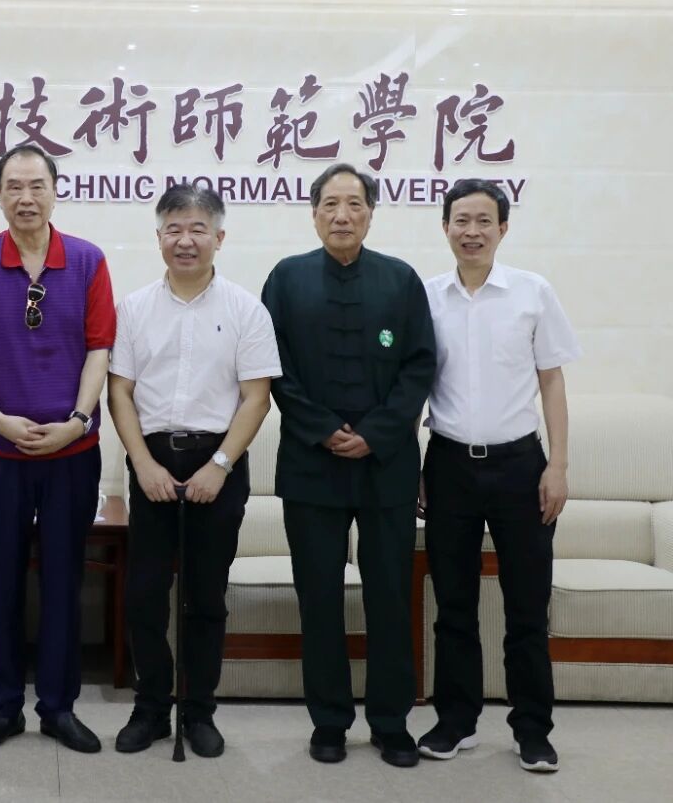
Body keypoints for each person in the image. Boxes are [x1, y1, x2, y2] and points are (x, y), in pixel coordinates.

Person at [261, 162, 436, 768]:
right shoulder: (285, 278)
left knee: (390, 597)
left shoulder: (400, 280)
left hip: (386, 467)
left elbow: (420, 365)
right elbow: (272, 366)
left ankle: (391, 723)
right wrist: (323, 430)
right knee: (318, 599)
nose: (342, 215)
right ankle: (329, 723)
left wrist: (375, 434)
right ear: (313, 214)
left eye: (354, 204)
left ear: (370, 213)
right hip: (312, 466)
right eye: (330, 204)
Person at [0, 144, 115, 754]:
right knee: (4, 578)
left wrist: (78, 420)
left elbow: (99, 348)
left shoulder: (88, 261)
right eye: (13, 186)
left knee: (65, 580)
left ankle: (59, 708)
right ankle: (3, 708)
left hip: (72, 454)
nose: (25, 197)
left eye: (36, 185)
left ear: (54, 191)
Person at [108, 184, 279, 757]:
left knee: (206, 597)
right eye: (174, 230)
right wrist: (142, 463)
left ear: (219, 238)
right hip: (152, 462)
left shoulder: (246, 309)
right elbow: (120, 392)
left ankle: (199, 711)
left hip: (218, 465)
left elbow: (256, 397)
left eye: (198, 229)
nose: (186, 240)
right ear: (159, 238)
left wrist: (220, 465)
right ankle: (151, 709)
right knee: (144, 596)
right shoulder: (134, 308)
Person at [417, 179, 580, 772]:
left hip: (520, 468)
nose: (472, 231)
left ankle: (532, 730)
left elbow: (552, 381)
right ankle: (455, 722)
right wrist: (413, 466)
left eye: (484, 221)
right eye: (461, 220)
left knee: (527, 608)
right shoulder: (425, 297)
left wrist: (557, 465)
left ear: (503, 229)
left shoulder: (533, 292)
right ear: (445, 227)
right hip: (448, 465)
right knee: (454, 606)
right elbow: (413, 385)